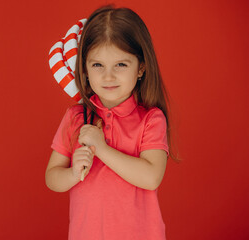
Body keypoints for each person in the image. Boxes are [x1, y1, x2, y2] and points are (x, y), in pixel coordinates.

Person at [45, 5, 176, 240]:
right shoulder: (76, 117)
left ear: (141, 67)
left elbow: (151, 177)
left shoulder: (151, 119)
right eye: (97, 65)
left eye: (121, 65)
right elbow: (52, 178)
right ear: (84, 68)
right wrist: (73, 173)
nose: (108, 76)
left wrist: (102, 148)